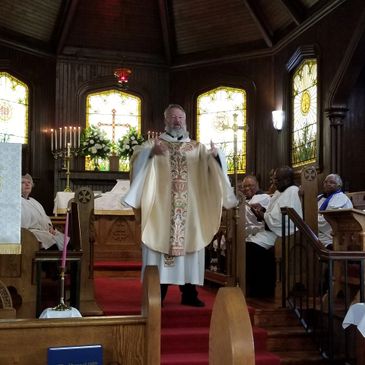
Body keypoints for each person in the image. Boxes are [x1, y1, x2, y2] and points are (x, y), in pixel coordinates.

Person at [123, 104, 237, 307]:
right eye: (173, 117)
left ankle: (189, 293)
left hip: (190, 210)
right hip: (161, 210)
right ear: (165, 120)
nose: (177, 121)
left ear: (185, 120)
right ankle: (157, 293)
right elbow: (136, 162)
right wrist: (149, 154)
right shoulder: (152, 144)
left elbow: (213, 172)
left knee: (191, 247)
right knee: (158, 248)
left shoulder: (198, 147)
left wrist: (216, 157)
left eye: (181, 117)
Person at [247, 166, 303, 298]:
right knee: (248, 243)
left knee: (252, 247)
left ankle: (263, 289)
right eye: (274, 180)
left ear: (287, 179)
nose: (274, 183)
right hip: (274, 230)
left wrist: (263, 215)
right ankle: (254, 287)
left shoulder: (292, 191)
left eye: (277, 180)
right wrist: (263, 211)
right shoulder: (280, 191)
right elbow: (274, 213)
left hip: (284, 234)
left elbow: (283, 218)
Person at [21, 173, 64, 250]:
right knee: (53, 244)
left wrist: (50, 227)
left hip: (45, 231)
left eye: (29, 182)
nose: (27, 184)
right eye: (23, 182)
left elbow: (45, 217)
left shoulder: (34, 201)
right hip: (31, 233)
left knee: (66, 242)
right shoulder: (17, 201)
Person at [317, 173, 353, 249]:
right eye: (325, 182)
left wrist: (312, 219)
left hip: (334, 234)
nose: (328, 184)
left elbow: (329, 219)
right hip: (320, 232)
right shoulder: (319, 198)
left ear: (339, 185)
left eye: (332, 182)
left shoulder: (341, 198)